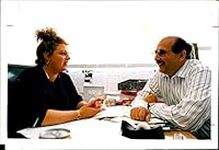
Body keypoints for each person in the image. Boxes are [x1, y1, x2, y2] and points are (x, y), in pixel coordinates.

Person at [8, 27, 103, 138]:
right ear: (47, 56)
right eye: (62, 54)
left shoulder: (64, 78)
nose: (68, 58)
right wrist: (80, 114)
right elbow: (40, 117)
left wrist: (88, 105)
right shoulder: (30, 77)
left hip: (60, 129)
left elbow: (75, 101)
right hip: (28, 134)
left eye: (67, 54)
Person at [130, 36, 211, 139]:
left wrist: (151, 106)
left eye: (162, 53)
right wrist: (140, 107)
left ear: (181, 55)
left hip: (207, 139)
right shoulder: (161, 74)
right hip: (182, 134)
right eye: (156, 53)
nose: (156, 58)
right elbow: (141, 97)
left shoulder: (201, 72)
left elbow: (186, 119)